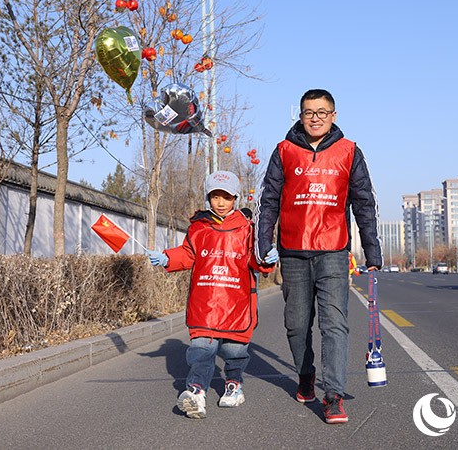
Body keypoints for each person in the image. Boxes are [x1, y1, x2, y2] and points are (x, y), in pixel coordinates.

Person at [254, 88, 383, 424]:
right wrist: (263, 241)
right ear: (300, 115)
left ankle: (334, 395)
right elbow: (268, 200)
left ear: (333, 116)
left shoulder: (349, 151)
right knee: (296, 324)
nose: (315, 118)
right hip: (293, 252)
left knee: (334, 324)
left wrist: (372, 250)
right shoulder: (284, 151)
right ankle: (306, 373)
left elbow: (364, 203)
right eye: (309, 112)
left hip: (333, 251)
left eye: (322, 112)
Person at [147, 170, 278, 419]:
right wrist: (167, 258)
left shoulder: (248, 229)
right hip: (204, 303)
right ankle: (196, 391)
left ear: (235, 198)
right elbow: (188, 254)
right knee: (200, 350)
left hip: (236, 304)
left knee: (234, 352)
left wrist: (267, 257)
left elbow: (256, 259)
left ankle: (234, 384)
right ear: (208, 197)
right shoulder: (198, 228)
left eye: (226, 197)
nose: (220, 202)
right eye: (215, 196)